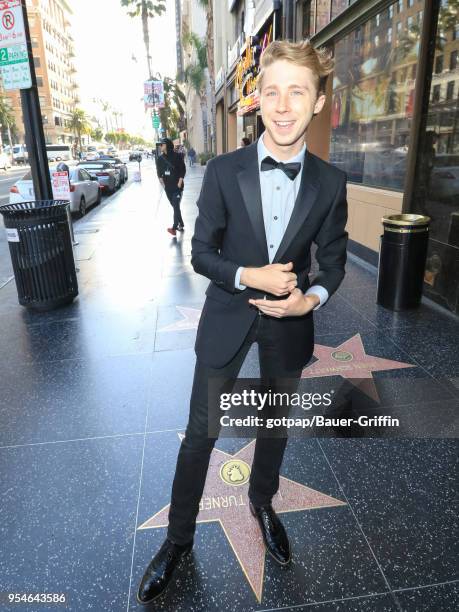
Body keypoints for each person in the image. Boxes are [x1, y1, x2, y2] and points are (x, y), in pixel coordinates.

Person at [137, 39, 348, 605]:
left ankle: (262, 501)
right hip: (229, 317)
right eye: (272, 92)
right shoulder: (226, 172)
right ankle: (178, 540)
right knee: (200, 433)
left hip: (289, 326)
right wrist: (250, 276)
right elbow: (202, 254)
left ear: (319, 102)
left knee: (274, 426)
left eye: (296, 92)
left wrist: (310, 300)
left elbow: (332, 261)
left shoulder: (331, 184)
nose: (282, 106)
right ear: (257, 100)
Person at [155, 137, 186, 236]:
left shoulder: (177, 156)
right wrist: (163, 185)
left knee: (176, 205)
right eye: (159, 145)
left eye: (162, 145)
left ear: (167, 145)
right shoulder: (160, 159)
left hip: (177, 187)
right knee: (175, 207)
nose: (160, 146)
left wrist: (179, 183)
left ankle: (174, 227)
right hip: (168, 188)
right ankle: (181, 223)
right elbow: (159, 173)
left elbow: (183, 169)